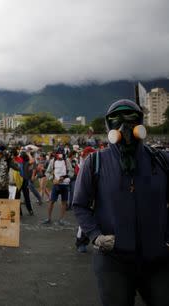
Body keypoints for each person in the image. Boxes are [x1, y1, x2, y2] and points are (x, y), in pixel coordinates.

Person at [73, 99, 169, 306]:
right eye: (116, 119)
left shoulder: (160, 160)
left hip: (158, 259)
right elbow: (80, 204)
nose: (124, 125)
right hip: (113, 260)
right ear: (109, 126)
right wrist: (96, 236)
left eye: (131, 118)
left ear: (141, 123)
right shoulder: (95, 162)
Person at [42, 151, 73, 225]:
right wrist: (52, 178)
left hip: (65, 184)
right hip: (56, 185)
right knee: (51, 201)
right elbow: (47, 172)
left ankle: (61, 219)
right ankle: (49, 218)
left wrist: (65, 177)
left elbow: (71, 172)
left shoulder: (66, 161)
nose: (60, 157)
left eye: (61, 155)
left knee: (64, 202)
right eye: (58, 155)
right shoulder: (53, 161)